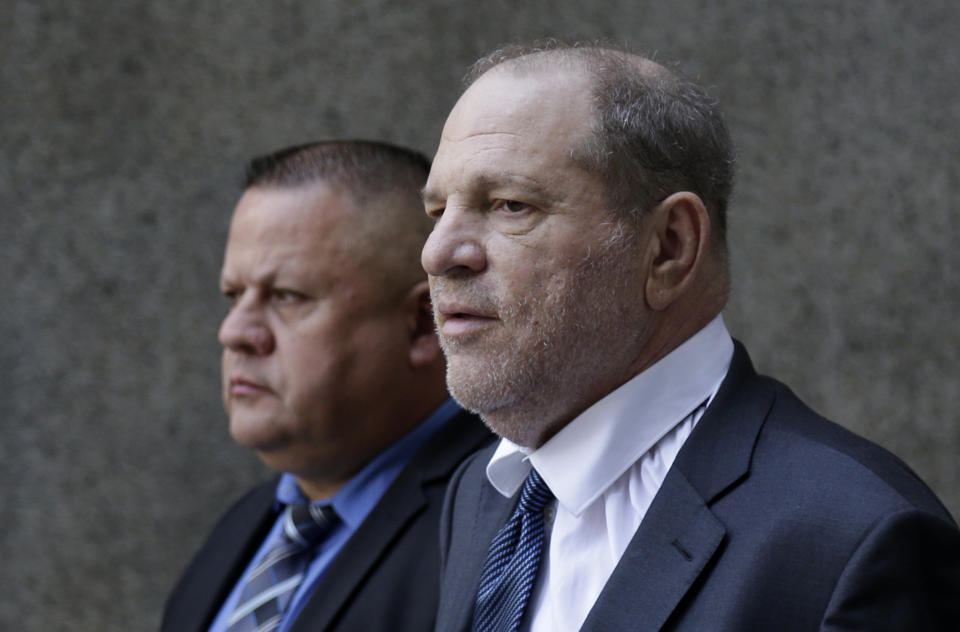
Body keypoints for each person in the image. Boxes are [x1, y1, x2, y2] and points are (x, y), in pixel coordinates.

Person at [422, 43, 960, 631]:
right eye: (438, 211)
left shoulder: (853, 537)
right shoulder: (484, 491)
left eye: (509, 205)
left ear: (669, 248)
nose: (439, 253)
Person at [162, 140, 492, 632]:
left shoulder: (502, 528)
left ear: (424, 325)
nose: (234, 333)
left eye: (287, 296)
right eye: (235, 296)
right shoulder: (244, 529)